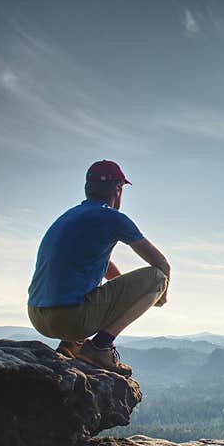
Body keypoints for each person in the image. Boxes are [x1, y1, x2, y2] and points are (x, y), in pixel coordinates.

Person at [27, 160, 170, 375]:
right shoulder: (113, 218)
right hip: (70, 319)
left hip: (37, 315)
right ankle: (100, 347)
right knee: (158, 277)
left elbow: (99, 265)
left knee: (80, 285)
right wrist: (159, 296)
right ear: (118, 189)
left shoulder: (68, 217)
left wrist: (124, 294)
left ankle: (70, 345)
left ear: (87, 189)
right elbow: (162, 264)